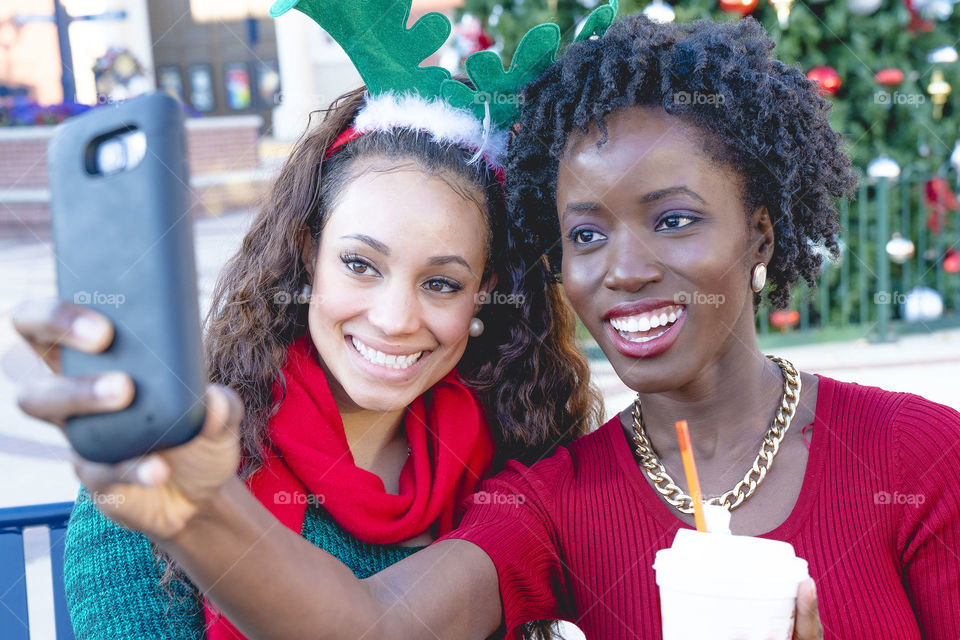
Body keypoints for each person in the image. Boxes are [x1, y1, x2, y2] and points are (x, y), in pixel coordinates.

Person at [26, 10, 930, 640]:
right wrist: (200, 509)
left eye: (675, 218)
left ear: (761, 230)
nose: (624, 267)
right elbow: (371, 629)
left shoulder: (918, 459)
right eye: (585, 234)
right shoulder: (553, 496)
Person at [11, 15, 603, 639]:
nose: (395, 319)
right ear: (305, 253)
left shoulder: (515, 462)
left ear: (484, 293)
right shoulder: (160, 469)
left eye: (441, 283)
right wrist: (199, 510)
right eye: (360, 265)